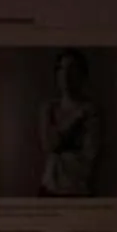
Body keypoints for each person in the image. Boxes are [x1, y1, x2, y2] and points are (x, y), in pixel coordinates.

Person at [38, 46, 105, 198]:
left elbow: (89, 157)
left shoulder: (91, 109)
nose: (66, 74)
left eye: (73, 69)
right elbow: (49, 145)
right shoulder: (49, 107)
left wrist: (61, 147)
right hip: (48, 188)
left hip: (78, 191)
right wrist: (76, 120)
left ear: (82, 74)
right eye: (61, 69)